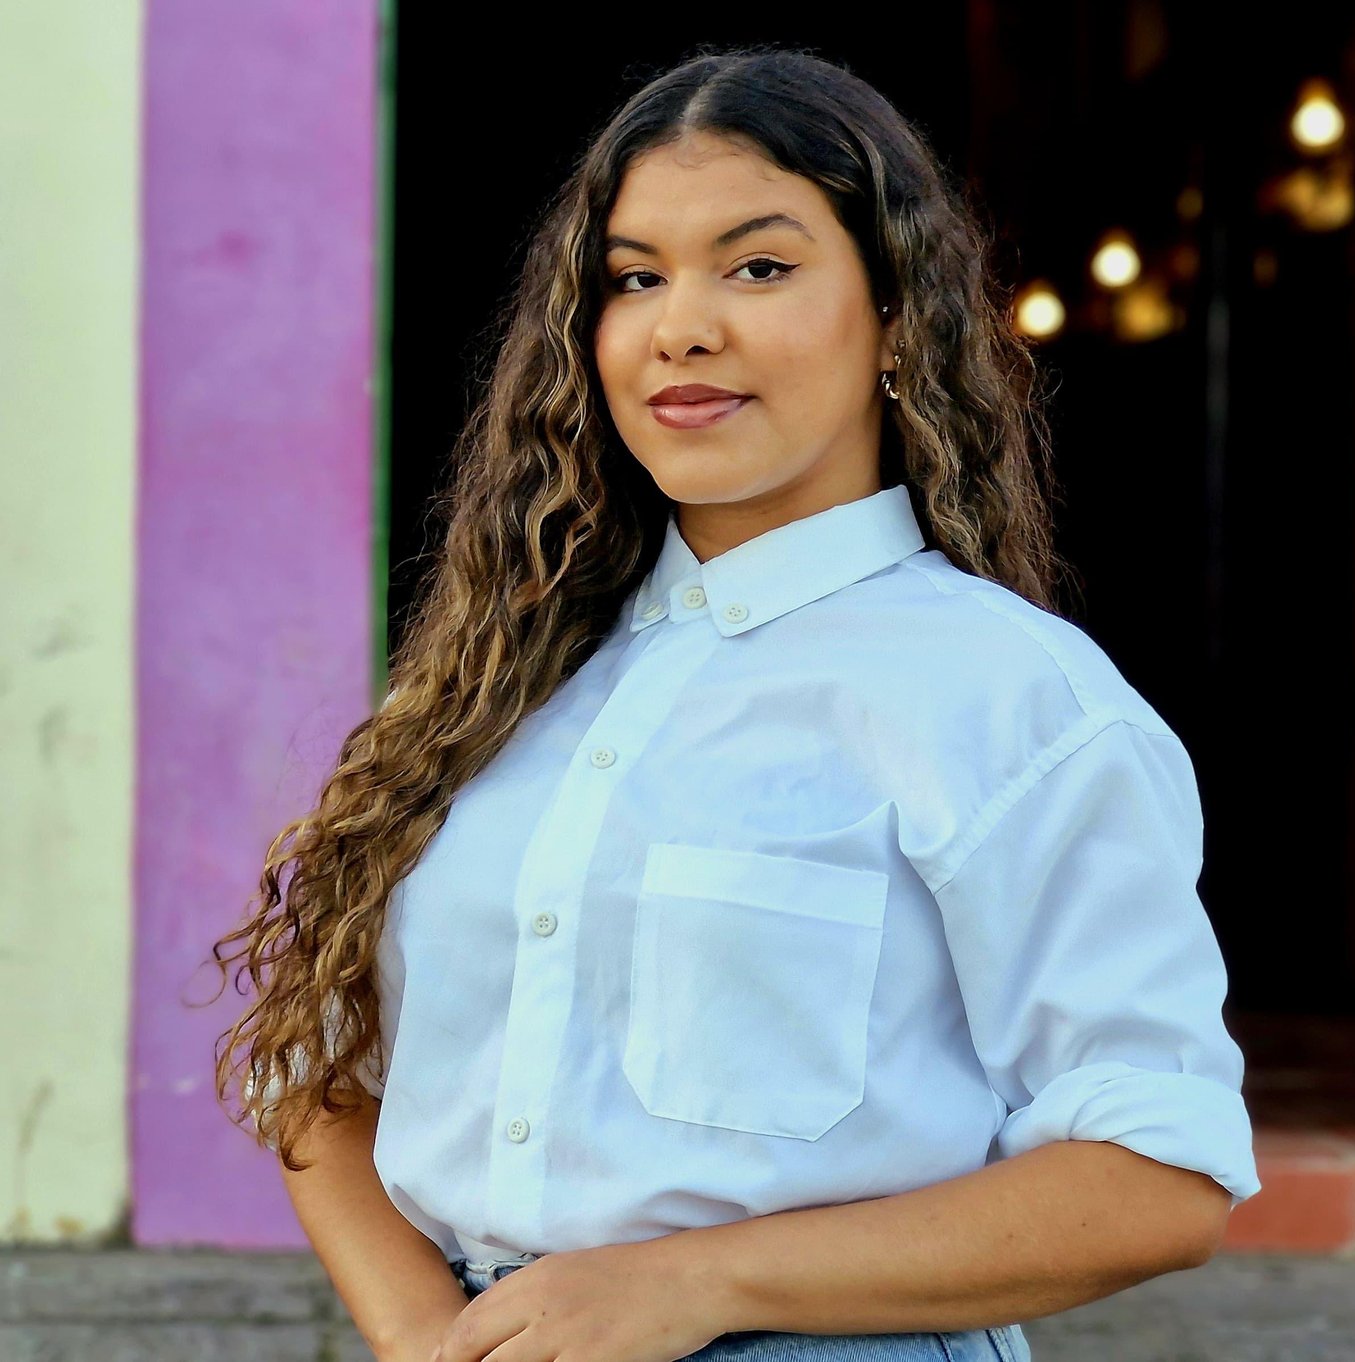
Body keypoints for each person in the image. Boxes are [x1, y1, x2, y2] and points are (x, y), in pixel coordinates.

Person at [210, 42, 1260, 1362]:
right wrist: (426, 1330)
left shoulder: (1012, 698)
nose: (682, 327)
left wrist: (693, 1284)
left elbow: (1159, 1173)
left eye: (758, 267)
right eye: (634, 277)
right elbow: (316, 1067)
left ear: (898, 318)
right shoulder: (499, 683)